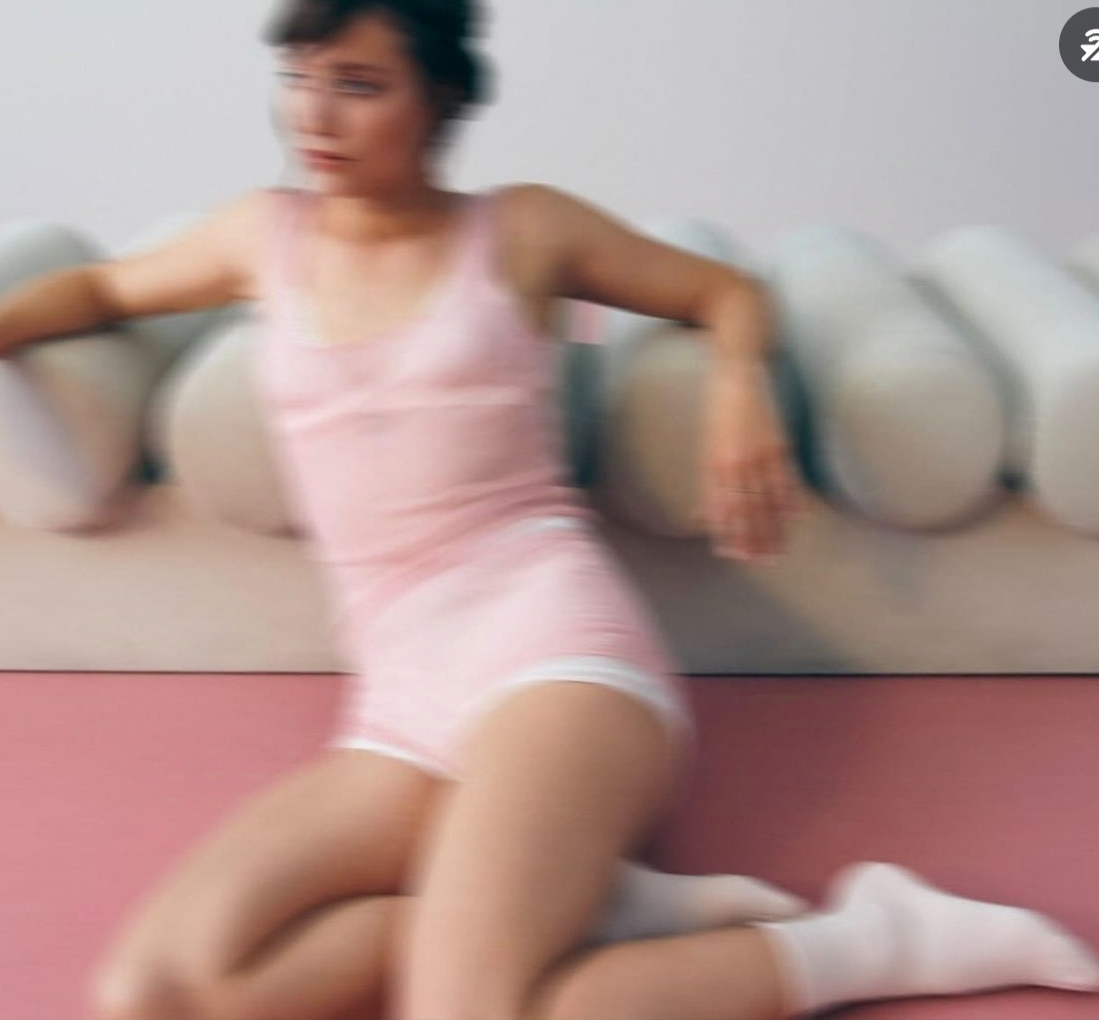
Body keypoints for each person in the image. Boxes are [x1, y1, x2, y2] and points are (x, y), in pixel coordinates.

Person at [0, 1, 1096, 1018]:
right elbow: (100, 288)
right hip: (400, 701)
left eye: (359, 85)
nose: (314, 117)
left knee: (470, 1011)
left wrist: (736, 390)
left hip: (553, 659)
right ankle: (592, 906)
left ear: (440, 101)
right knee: (150, 989)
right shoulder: (263, 234)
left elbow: (725, 291)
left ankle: (879, 939)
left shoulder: (519, 229)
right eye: (301, 78)